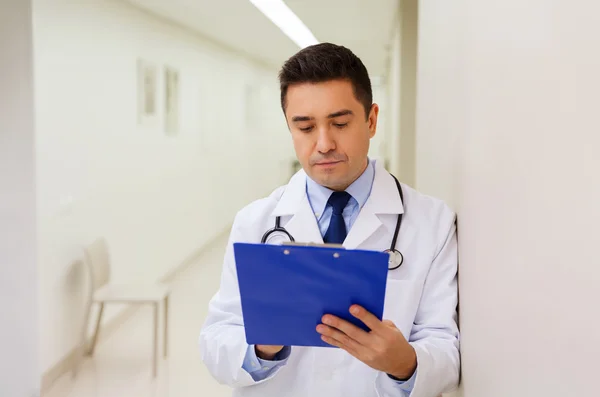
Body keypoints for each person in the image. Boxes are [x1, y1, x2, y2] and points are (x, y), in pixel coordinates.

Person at [199, 43, 460, 397]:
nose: (323, 144)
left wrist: (404, 362)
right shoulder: (255, 222)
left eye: (339, 123)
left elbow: (445, 346)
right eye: (305, 128)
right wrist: (261, 348)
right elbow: (217, 337)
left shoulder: (431, 221)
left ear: (370, 120)